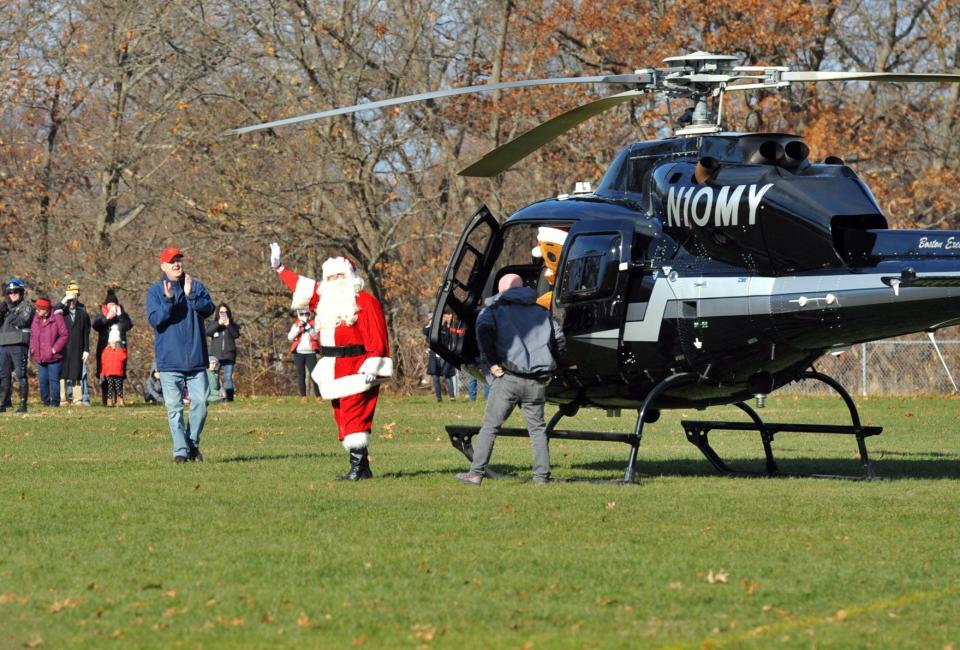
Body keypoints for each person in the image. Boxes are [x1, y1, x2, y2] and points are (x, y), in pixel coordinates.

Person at [270, 242, 392, 480]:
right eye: (331, 276)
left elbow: (377, 335)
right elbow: (301, 286)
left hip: (358, 367)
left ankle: (358, 469)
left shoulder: (365, 302)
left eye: (340, 275)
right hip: (334, 368)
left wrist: (374, 365)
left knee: (355, 414)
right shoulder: (325, 299)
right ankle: (362, 467)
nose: (335, 280)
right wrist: (279, 268)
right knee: (342, 416)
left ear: (351, 276)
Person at [456, 273, 565, 486]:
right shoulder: (542, 312)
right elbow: (559, 340)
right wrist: (550, 367)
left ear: (501, 290)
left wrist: (493, 364)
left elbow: (484, 334)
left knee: (490, 427)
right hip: (537, 382)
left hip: (508, 378)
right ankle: (541, 477)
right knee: (537, 430)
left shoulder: (493, 311)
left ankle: (476, 473)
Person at [147, 247, 215, 463]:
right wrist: (168, 301)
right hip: (169, 361)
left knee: (201, 403)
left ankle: (192, 443)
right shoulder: (156, 292)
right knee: (174, 409)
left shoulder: (195, 286)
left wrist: (190, 295)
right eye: (171, 261)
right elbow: (155, 320)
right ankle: (180, 451)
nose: (176, 264)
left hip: (196, 359)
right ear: (163, 266)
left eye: (179, 260)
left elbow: (209, 309)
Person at [92, 288, 133, 405]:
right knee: (104, 373)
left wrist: (120, 315)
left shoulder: (123, 315)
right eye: (109, 304)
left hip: (119, 350)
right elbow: (96, 326)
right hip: (105, 350)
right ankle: (106, 398)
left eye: (113, 304)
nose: (111, 307)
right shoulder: (101, 315)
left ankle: (119, 398)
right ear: (106, 305)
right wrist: (107, 318)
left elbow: (128, 326)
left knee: (118, 373)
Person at [0, 278, 35, 413]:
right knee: (3, 375)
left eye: (15, 291)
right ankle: (3, 403)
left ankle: (22, 404)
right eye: (10, 292)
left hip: (18, 344)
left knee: (20, 374)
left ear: (21, 292)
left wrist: (9, 314)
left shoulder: (26, 306)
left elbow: (23, 321)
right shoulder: (5, 307)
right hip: (3, 344)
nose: (13, 294)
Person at [28, 296, 69, 407]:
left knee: (54, 380)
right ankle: (45, 403)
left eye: (39, 309)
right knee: (43, 380)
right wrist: (32, 348)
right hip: (40, 355)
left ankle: (55, 404)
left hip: (54, 356)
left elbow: (64, 335)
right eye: (36, 309)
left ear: (46, 309)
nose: (37, 311)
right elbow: (32, 335)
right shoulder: (36, 318)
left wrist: (55, 349)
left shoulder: (57, 317)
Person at [58, 283, 92, 406]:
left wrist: (86, 349)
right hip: (63, 348)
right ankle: (63, 399)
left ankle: (78, 399)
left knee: (76, 373)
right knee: (63, 374)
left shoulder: (82, 313)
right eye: (69, 300)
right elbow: (54, 311)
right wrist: (64, 300)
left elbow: (85, 332)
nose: (71, 302)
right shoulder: (61, 312)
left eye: (73, 299)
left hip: (77, 348)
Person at [206, 303, 240, 401]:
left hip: (229, 355)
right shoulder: (214, 323)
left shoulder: (233, 325)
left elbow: (236, 335)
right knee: (214, 376)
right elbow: (208, 332)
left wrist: (228, 324)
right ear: (218, 313)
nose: (223, 314)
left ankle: (229, 398)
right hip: (216, 356)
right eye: (221, 312)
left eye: (225, 312)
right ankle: (215, 396)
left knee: (228, 377)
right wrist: (218, 324)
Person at [287, 308, 320, 401]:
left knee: (314, 374)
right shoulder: (296, 324)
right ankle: (304, 396)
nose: (304, 315)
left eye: (306, 313)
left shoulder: (313, 324)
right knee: (301, 375)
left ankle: (318, 396)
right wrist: (299, 328)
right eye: (302, 313)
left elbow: (316, 336)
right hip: (299, 353)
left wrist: (308, 327)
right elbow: (290, 337)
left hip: (311, 352)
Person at [425, 317, 457, 402]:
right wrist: (429, 324)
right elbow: (425, 332)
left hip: (444, 356)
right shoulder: (431, 328)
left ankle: (452, 397)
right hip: (434, 356)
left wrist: (449, 325)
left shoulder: (445, 329)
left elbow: (449, 338)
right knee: (435, 377)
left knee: (447, 376)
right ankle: (438, 398)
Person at [100, 326, 128, 406]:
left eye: (115, 343)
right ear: (109, 342)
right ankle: (109, 401)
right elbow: (103, 363)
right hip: (109, 373)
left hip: (118, 373)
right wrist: (102, 373)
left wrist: (120, 348)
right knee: (110, 388)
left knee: (119, 388)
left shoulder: (120, 350)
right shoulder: (105, 351)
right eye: (112, 342)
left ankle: (120, 400)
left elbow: (123, 357)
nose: (113, 344)